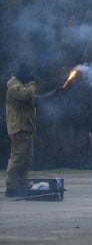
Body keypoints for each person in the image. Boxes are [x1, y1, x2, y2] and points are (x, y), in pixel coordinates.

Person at [5, 62, 61, 197]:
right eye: (29, 73)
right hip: (19, 127)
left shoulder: (24, 87)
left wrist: (55, 93)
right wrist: (32, 83)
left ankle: (22, 183)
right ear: (23, 73)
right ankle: (11, 187)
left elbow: (38, 100)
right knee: (18, 158)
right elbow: (27, 95)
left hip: (27, 127)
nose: (31, 76)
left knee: (27, 159)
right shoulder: (13, 86)